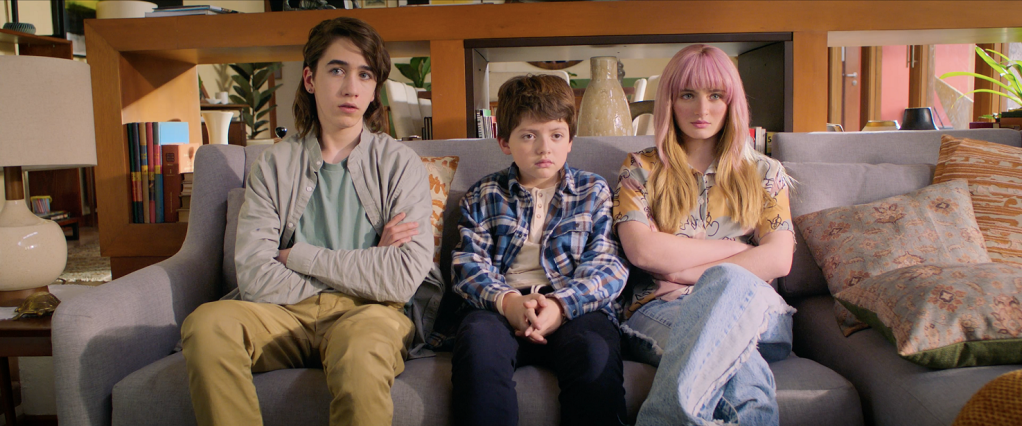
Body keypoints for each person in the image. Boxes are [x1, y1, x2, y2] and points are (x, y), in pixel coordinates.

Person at [180, 17, 434, 426]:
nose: (351, 87)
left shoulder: (400, 164)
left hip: (368, 313)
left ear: (374, 89)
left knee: (362, 351)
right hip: (284, 312)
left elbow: (401, 278)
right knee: (208, 325)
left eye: (365, 74)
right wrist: (369, 263)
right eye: (337, 70)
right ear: (310, 79)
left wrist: (297, 256)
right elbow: (255, 275)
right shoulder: (273, 165)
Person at [613, 44, 796, 426]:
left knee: (731, 285)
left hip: (755, 311)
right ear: (669, 101)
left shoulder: (765, 172)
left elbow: (779, 259)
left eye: (715, 96)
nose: (702, 109)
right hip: (661, 308)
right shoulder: (641, 168)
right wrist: (731, 248)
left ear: (732, 103)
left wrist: (687, 270)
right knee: (747, 383)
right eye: (687, 95)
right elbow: (643, 251)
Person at [450, 75, 629, 426]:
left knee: (595, 353)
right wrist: (509, 303)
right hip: (501, 306)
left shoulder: (593, 191)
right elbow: (468, 264)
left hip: (575, 307)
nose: (544, 148)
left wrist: (560, 306)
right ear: (504, 142)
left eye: (556, 135)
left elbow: (608, 264)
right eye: (529, 136)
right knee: (478, 346)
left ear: (571, 141)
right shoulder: (484, 194)